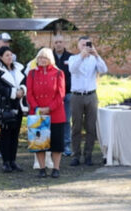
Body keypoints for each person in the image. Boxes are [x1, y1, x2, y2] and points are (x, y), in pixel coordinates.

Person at [26, 47, 65, 178]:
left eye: (45, 58)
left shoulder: (58, 73)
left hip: (55, 113)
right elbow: (29, 93)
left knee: (56, 142)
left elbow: (60, 94)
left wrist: (49, 108)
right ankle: (42, 168)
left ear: (50, 60)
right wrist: (37, 107)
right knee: (39, 142)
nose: (42, 60)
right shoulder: (31, 73)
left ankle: (56, 168)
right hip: (37, 113)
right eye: (40, 57)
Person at [68, 36, 107, 167]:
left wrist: (96, 54)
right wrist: (81, 57)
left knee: (91, 127)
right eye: (83, 44)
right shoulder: (73, 58)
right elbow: (72, 69)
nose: (85, 47)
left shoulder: (94, 59)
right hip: (77, 95)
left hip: (91, 95)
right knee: (76, 126)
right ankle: (76, 155)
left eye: (87, 44)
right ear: (78, 46)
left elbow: (104, 70)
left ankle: (88, 154)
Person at [0, 46, 26, 173]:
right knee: (6, 134)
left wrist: (22, 90)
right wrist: (12, 93)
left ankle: (13, 160)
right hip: (5, 106)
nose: (9, 57)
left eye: (11, 55)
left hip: (18, 105)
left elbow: (24, 81)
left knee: (15, 134)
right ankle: (5, 161)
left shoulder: (19, 68)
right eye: (6, 55)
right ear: (1, 57)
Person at [53, 34, 73, 156]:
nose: (58, 44)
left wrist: (65, 88)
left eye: (60, 42)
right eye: (56, 42)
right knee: (53, 121)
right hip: (53, 96)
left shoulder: (71, 57)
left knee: (66, 120)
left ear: (64, 43)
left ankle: (66, 145)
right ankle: (54, 145)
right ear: (53, 44)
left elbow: (73, 75)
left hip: (67, 94)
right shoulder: (50, 57)